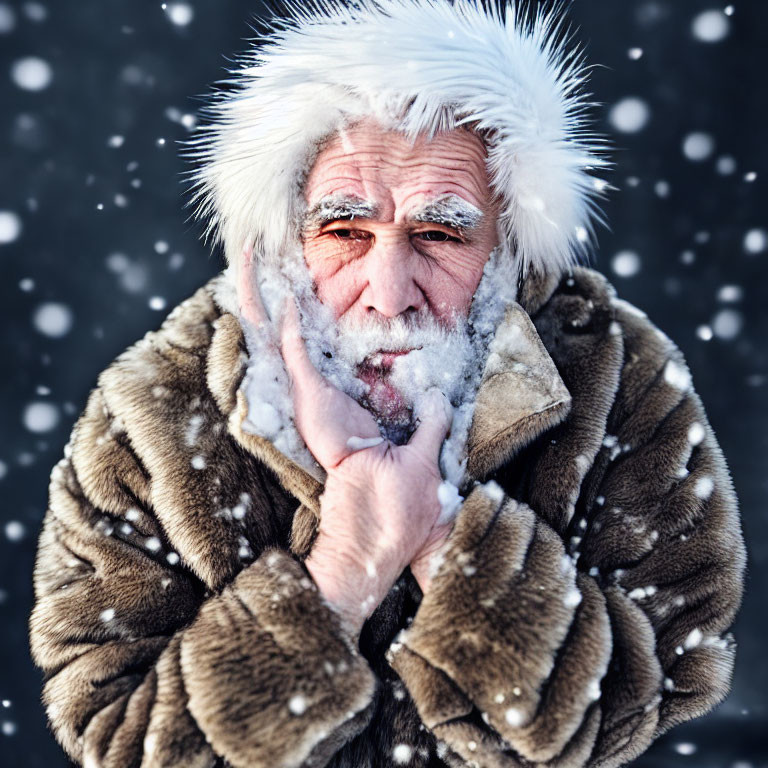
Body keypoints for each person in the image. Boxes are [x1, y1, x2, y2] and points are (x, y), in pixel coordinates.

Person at [29, 2, 746, 767]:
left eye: (439, 234)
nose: (388, 290)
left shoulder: (619, 377)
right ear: (283, 240)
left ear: (506, 251)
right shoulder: (155, 408)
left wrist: (438, 534)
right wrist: (344, 566)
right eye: (345, 231)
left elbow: (641, 700)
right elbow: (123, 739)